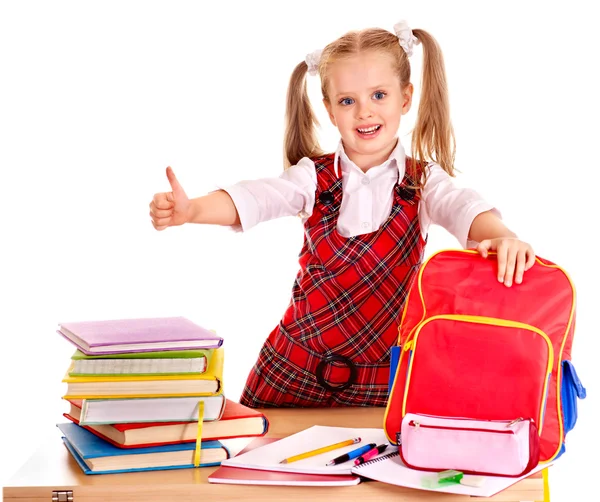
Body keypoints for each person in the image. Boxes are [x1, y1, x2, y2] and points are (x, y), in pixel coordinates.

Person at [149, 20, 535, 408]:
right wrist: (193, 209)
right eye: (348, 101)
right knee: (261, 463)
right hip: (293, 371)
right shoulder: (311, 179)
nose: (364, 112)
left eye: (378, 95)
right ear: (331, 111)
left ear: (405, 98)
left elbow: (465, 210)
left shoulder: (424, 182)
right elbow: (254, 198)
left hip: (386, 379)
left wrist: (500, 235)